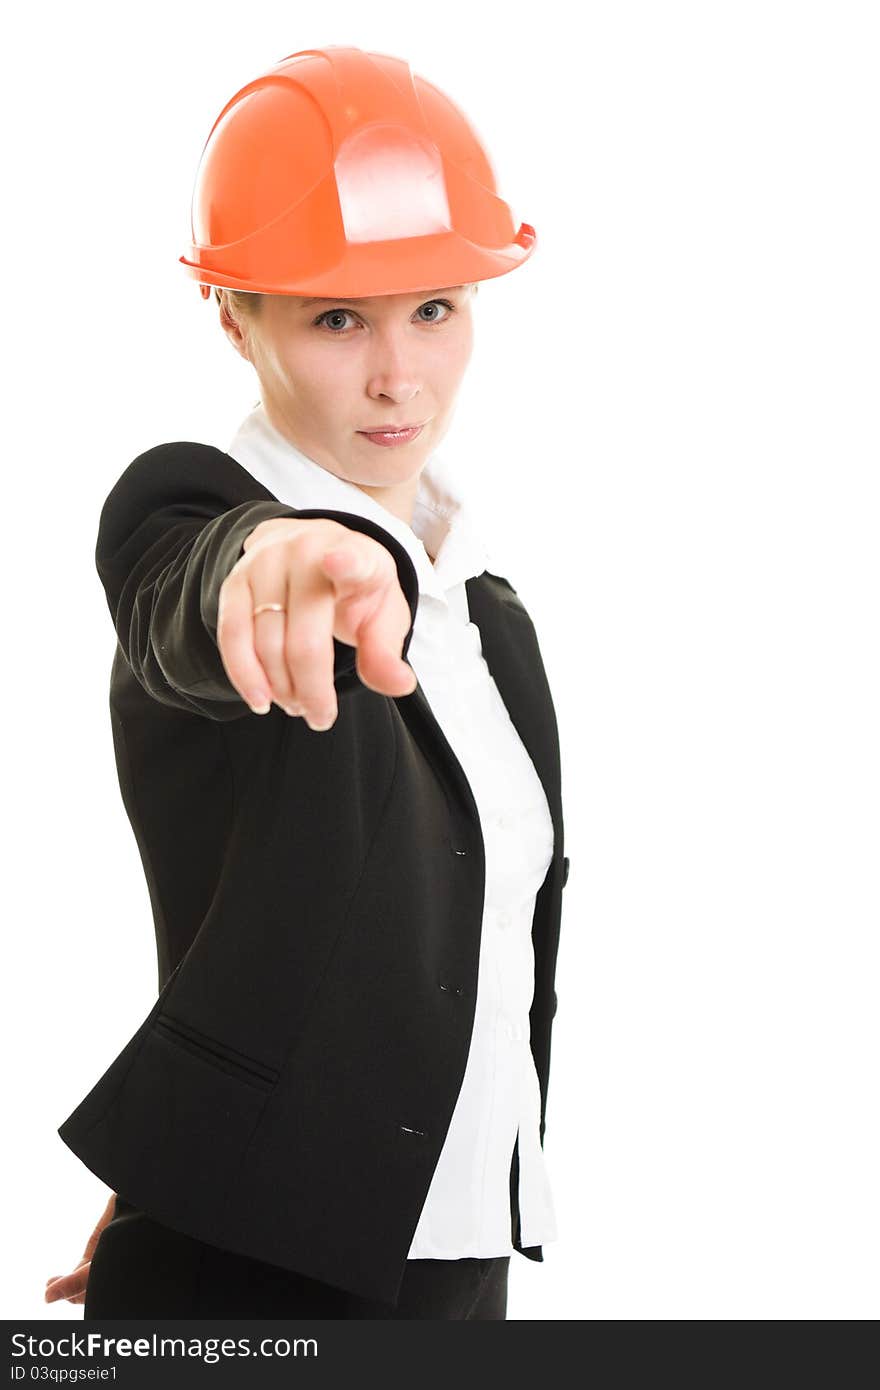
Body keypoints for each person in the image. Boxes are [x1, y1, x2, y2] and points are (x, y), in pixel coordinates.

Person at [46, 44, 569, 1321]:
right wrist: (272, 550)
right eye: (338, 317)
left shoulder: (487, 615)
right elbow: (177, 579)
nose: (401, 375)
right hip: (254, 1282)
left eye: (434, 308)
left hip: (449, 1252)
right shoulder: (206, 521)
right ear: (234, 314)